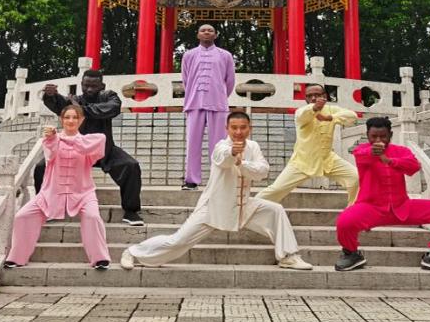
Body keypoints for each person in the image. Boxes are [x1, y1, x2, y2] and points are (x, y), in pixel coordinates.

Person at [121, 111, 313, 271]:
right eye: (234, 128)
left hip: (243, 206)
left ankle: (288, 256)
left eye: (243, 127)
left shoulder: (254, 146)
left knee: (275, 210)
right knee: (178, 241)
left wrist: (242, 163)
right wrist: (233, 154)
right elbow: (223, 159)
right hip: (213, 208)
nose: (239, 132)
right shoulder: (220, 146)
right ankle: (133, 252)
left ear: (250, 128)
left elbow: (262, 171)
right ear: (227, 129)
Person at [334, 117, 430, 274]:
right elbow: (363, 156)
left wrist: (389, 161)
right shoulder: (361, 150)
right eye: (374, 136)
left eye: (383, 136)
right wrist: (374, 153)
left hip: (402, 206)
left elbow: (414, 167)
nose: (378, 140)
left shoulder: (401, 151)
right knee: (344, 221)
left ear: (391, 135)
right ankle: (351, 253)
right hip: (371, 207)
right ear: (367, 135)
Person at [4, 104, 110, 270]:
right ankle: (17, 258)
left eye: (75, 117)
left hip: (83, 192)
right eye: (67, 117)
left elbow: (97, 142)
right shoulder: (52, 140)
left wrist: (67, 139)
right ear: (61, 120)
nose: (71, 120)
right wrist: (53, 138)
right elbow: (50, 154)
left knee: (93, 217)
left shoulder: (89, 141)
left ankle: (100, 259)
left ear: (81, 120)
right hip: (51, 192)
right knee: (22, 216)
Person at [38, 69, 144, 226]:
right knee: (42, 167)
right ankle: (46, 208)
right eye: (86, 85)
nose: (89, 89)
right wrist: (51, 95)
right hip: (74, 150)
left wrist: (81, 109)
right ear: (81, 84)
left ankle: (131, 211)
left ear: (102, 86)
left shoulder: (110, 97)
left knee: (131, 166)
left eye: (93, 86)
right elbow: (60, 105)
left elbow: (111, 109)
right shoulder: (75, 100)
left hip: (104, 150)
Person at [257, 84, 360, 206]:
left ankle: (352, 212)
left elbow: (352, 116)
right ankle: (250, 209)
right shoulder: (301, 112)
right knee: (276, 189)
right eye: (309, 96)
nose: (313, 98)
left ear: (324, 96)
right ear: (305, 98)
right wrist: (315, 108)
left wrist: (330, 117)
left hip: (328, 159)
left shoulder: (332, 110)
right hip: (302, 161)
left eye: (317, 95)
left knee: (356, 178)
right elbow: (303, 116)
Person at [180, 24, 236, 190]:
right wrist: (194, 94)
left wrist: (220, 95)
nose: (206, 32)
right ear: (198, 34)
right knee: (192, 144)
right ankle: (191, 180)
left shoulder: (225, 56)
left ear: (215, 35)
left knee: (219, 145)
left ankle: (217, 180)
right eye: (203, 30)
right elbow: (185, 79)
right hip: (194, 103)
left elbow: (230, 81)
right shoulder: (189, 55)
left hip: (218, 104)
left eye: (210, 30)